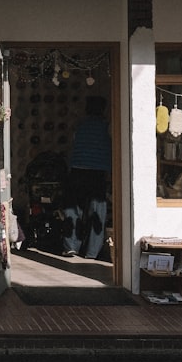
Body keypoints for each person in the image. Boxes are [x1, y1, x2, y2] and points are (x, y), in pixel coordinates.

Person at [62, 96, 111, 259]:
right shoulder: (107, 126)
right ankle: (92, 251)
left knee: (73, 209)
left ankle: (71, 246)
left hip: (77, 170)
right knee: (97, 212)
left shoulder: (80, 125)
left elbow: (73, 144)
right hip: (98, 172)